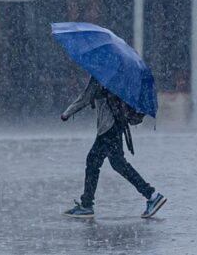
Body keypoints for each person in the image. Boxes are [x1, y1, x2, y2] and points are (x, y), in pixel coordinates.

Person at [61, 76, 166, 219]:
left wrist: (66, 113)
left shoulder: (100, 76)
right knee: (117, 164)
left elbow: (85, 98)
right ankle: (152, 195)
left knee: (94, 162)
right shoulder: (117, 77)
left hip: (108, 128)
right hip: (116, 125)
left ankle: (87, 205)